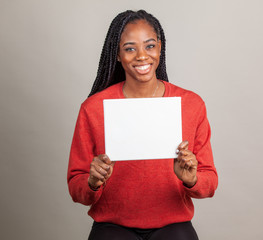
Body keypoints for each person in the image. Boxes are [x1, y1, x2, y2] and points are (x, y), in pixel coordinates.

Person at [67, 10, 218, 240]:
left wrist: (191, 179)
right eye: (129, 48)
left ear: (160, 47)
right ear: (117, 54)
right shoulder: (93, 108)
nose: (141, 56)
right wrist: (92, 181)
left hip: (172, 225)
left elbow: (210, 181)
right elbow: (76, 185)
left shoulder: (191, 105)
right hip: (112, 225)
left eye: (149, 46)